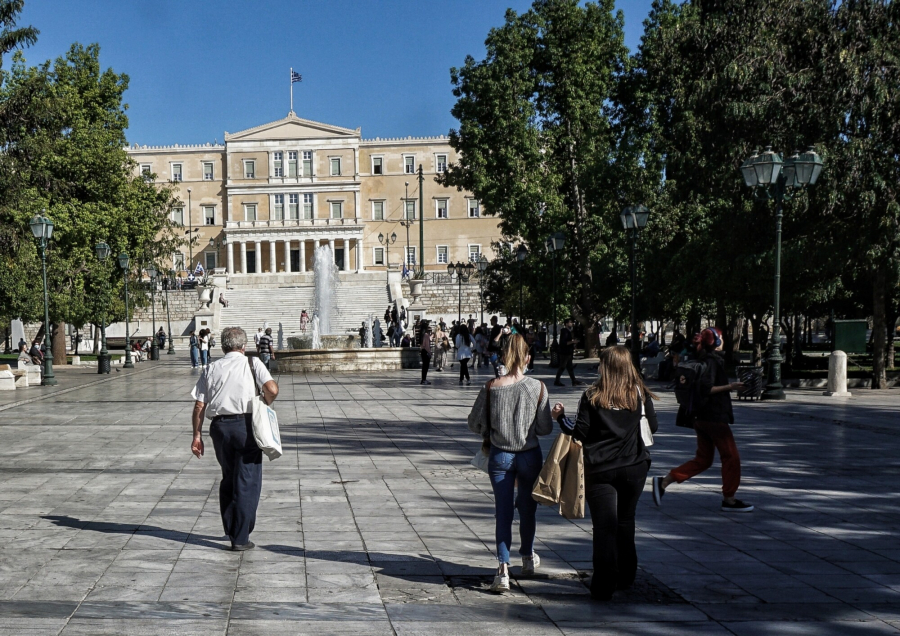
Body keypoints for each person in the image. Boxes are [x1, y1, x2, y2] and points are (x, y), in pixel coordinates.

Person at [552, 345, 658, 600]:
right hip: (634, 466)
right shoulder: (639, 394)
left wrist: (560, 417)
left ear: (606, 367)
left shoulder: (592, 395)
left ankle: (604, 583)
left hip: (599, 468)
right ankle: (627, 575)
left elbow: (580, 432)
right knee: (626, 520)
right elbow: (653, 426)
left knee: (604, 527)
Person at [467, 334, 552, 592]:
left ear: (503, 356)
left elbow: (473, 422)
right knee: (528, 508)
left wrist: (492, 428)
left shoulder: (491, 387)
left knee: (503, 512)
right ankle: (527, 557)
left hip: (501, 455)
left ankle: (502, 570)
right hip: (529, 454)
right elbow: (545, 428)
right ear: (527, 357)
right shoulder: (539, 388)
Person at [190, 327, 279, 551]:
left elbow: (200, 405)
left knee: (229, 477)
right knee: (248, 481)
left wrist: (197, 435)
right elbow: (272, 389)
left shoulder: (211, 368)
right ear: (244, 346)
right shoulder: (252, 363)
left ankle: (232, 527)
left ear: (223, 346)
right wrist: (265, 401)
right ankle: (240, 537)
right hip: (246, 426)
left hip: (219, 428)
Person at [652, 328, 753, 512]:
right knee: (731, 457)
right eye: (720, 337)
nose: (722, 339)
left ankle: (664, 481)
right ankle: (729, 499)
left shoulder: (704, 360)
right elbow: (706, 389)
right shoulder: (712, 361)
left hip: (701, 417)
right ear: (714, 341)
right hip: (713, 417)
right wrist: (731, 386)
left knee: (704, 459)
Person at [555, 318, 583, 387]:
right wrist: (573, 342)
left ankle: (574, 381)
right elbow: (563, 342)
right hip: (565, 352)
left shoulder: (569, 331)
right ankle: (557, 381)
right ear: (566, 324)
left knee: (570, 367)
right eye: (570, 322)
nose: (572, 324)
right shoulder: (564, 331)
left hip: (568, 352)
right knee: (562, 366)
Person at [419, 320, 432, 385]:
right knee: (426, 367)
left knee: (424, 366)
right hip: (426, 351)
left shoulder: (421, 334)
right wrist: (430, 352)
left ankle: (423, 379)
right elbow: (426, 345)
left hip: (422, 351)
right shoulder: (426, 335)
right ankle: (424, 379)